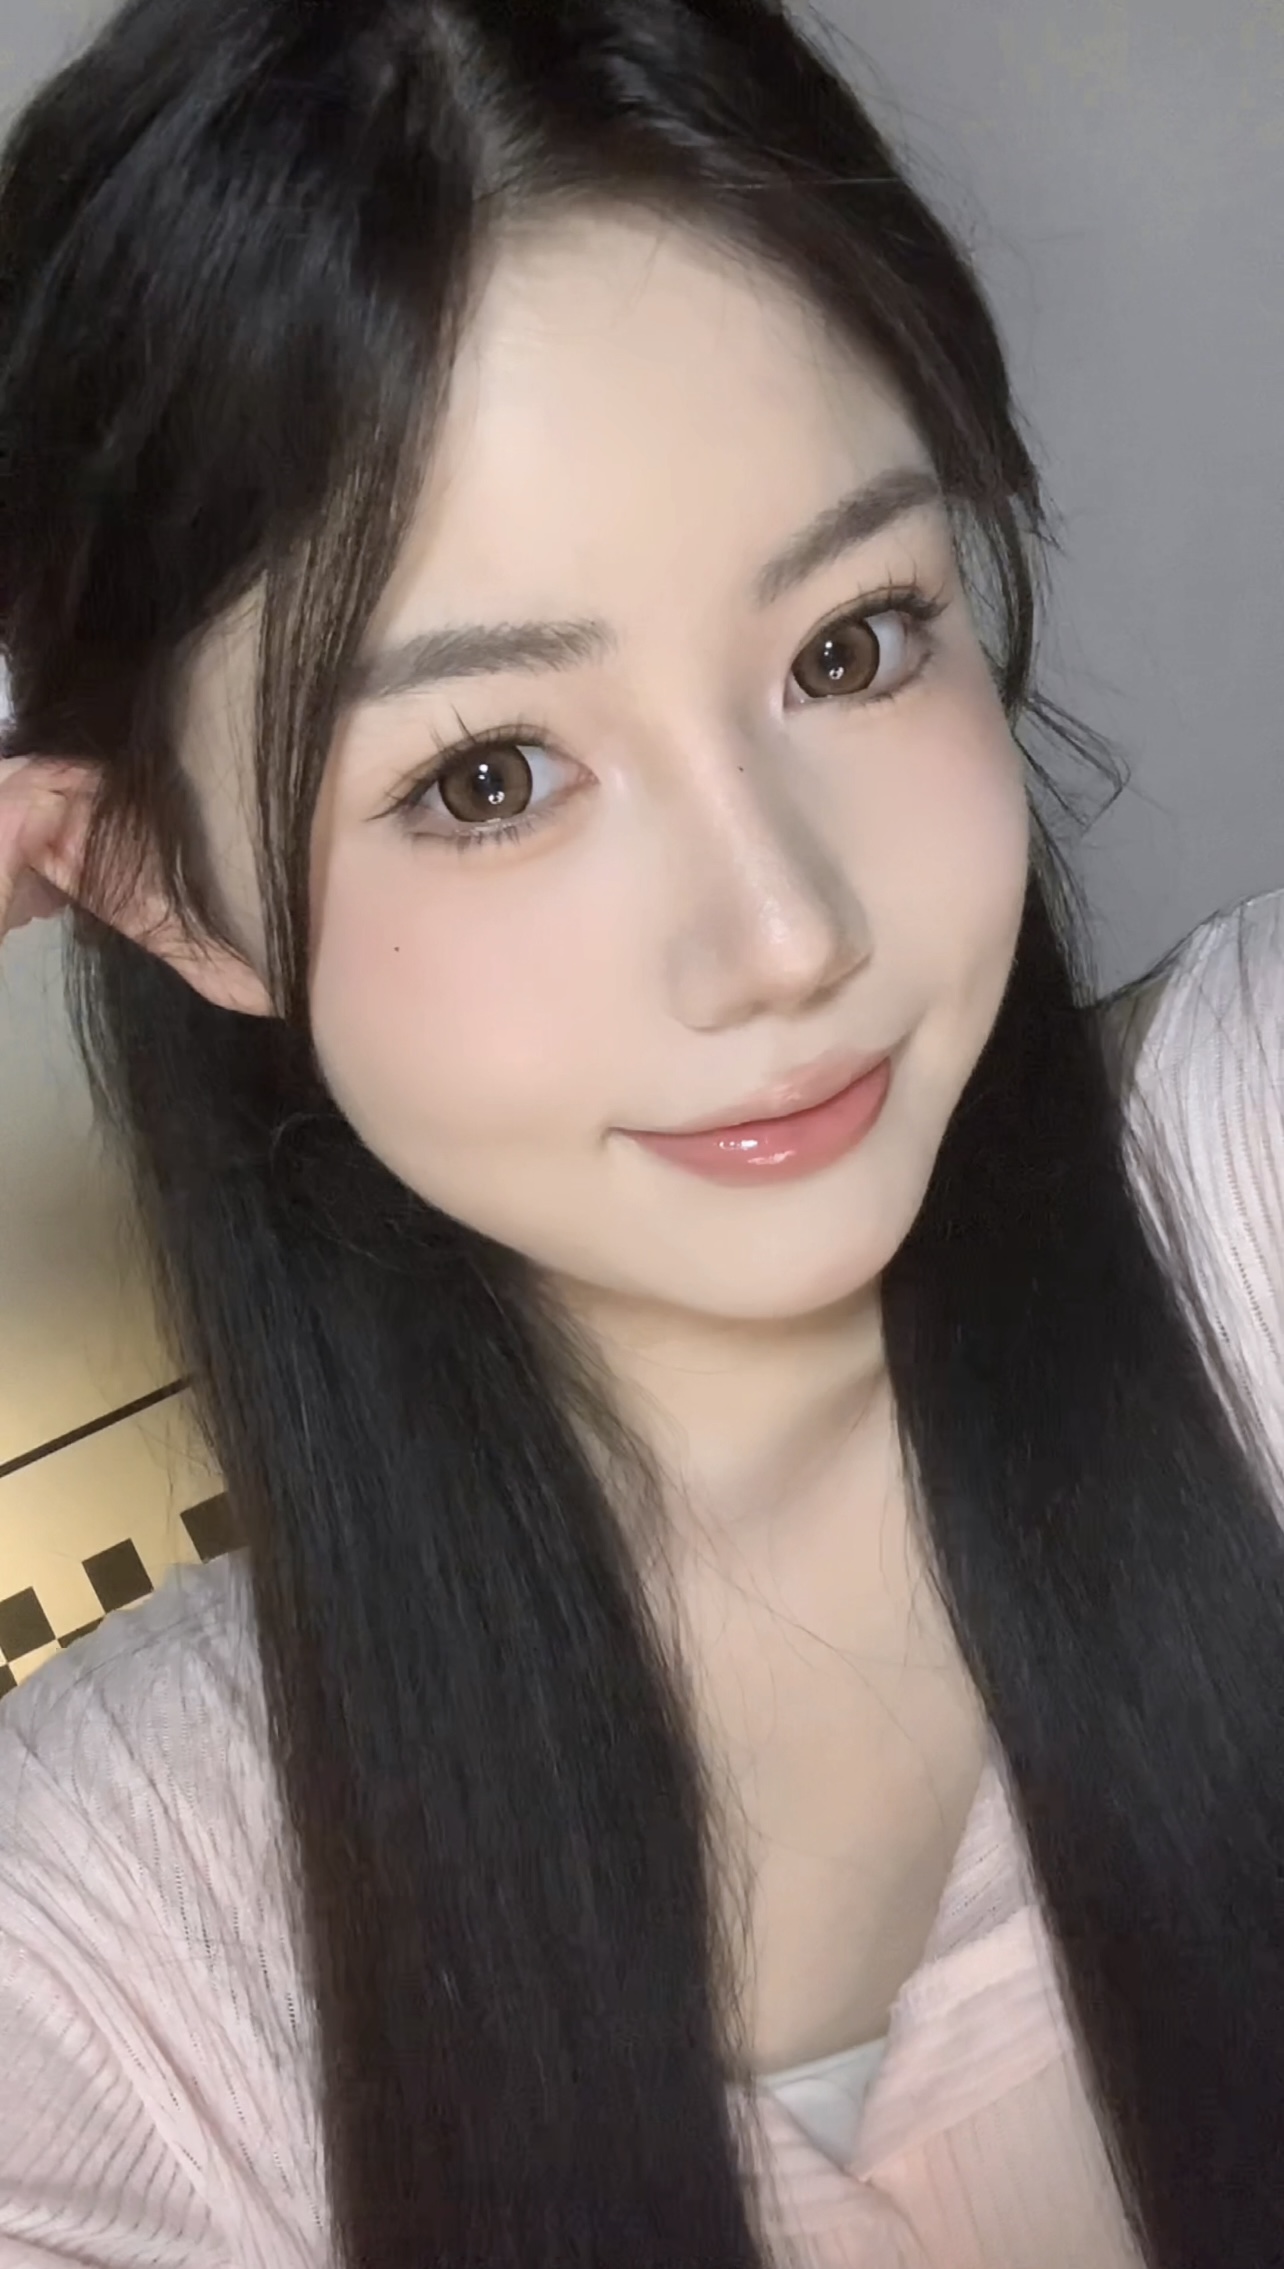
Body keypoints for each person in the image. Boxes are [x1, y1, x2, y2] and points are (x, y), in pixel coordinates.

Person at [0, 1, 1280, 2263]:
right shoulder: (111, 1959)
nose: (785, 933)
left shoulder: (1252, 1201)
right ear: (170, 890)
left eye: (853, 644)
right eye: (491, 775)